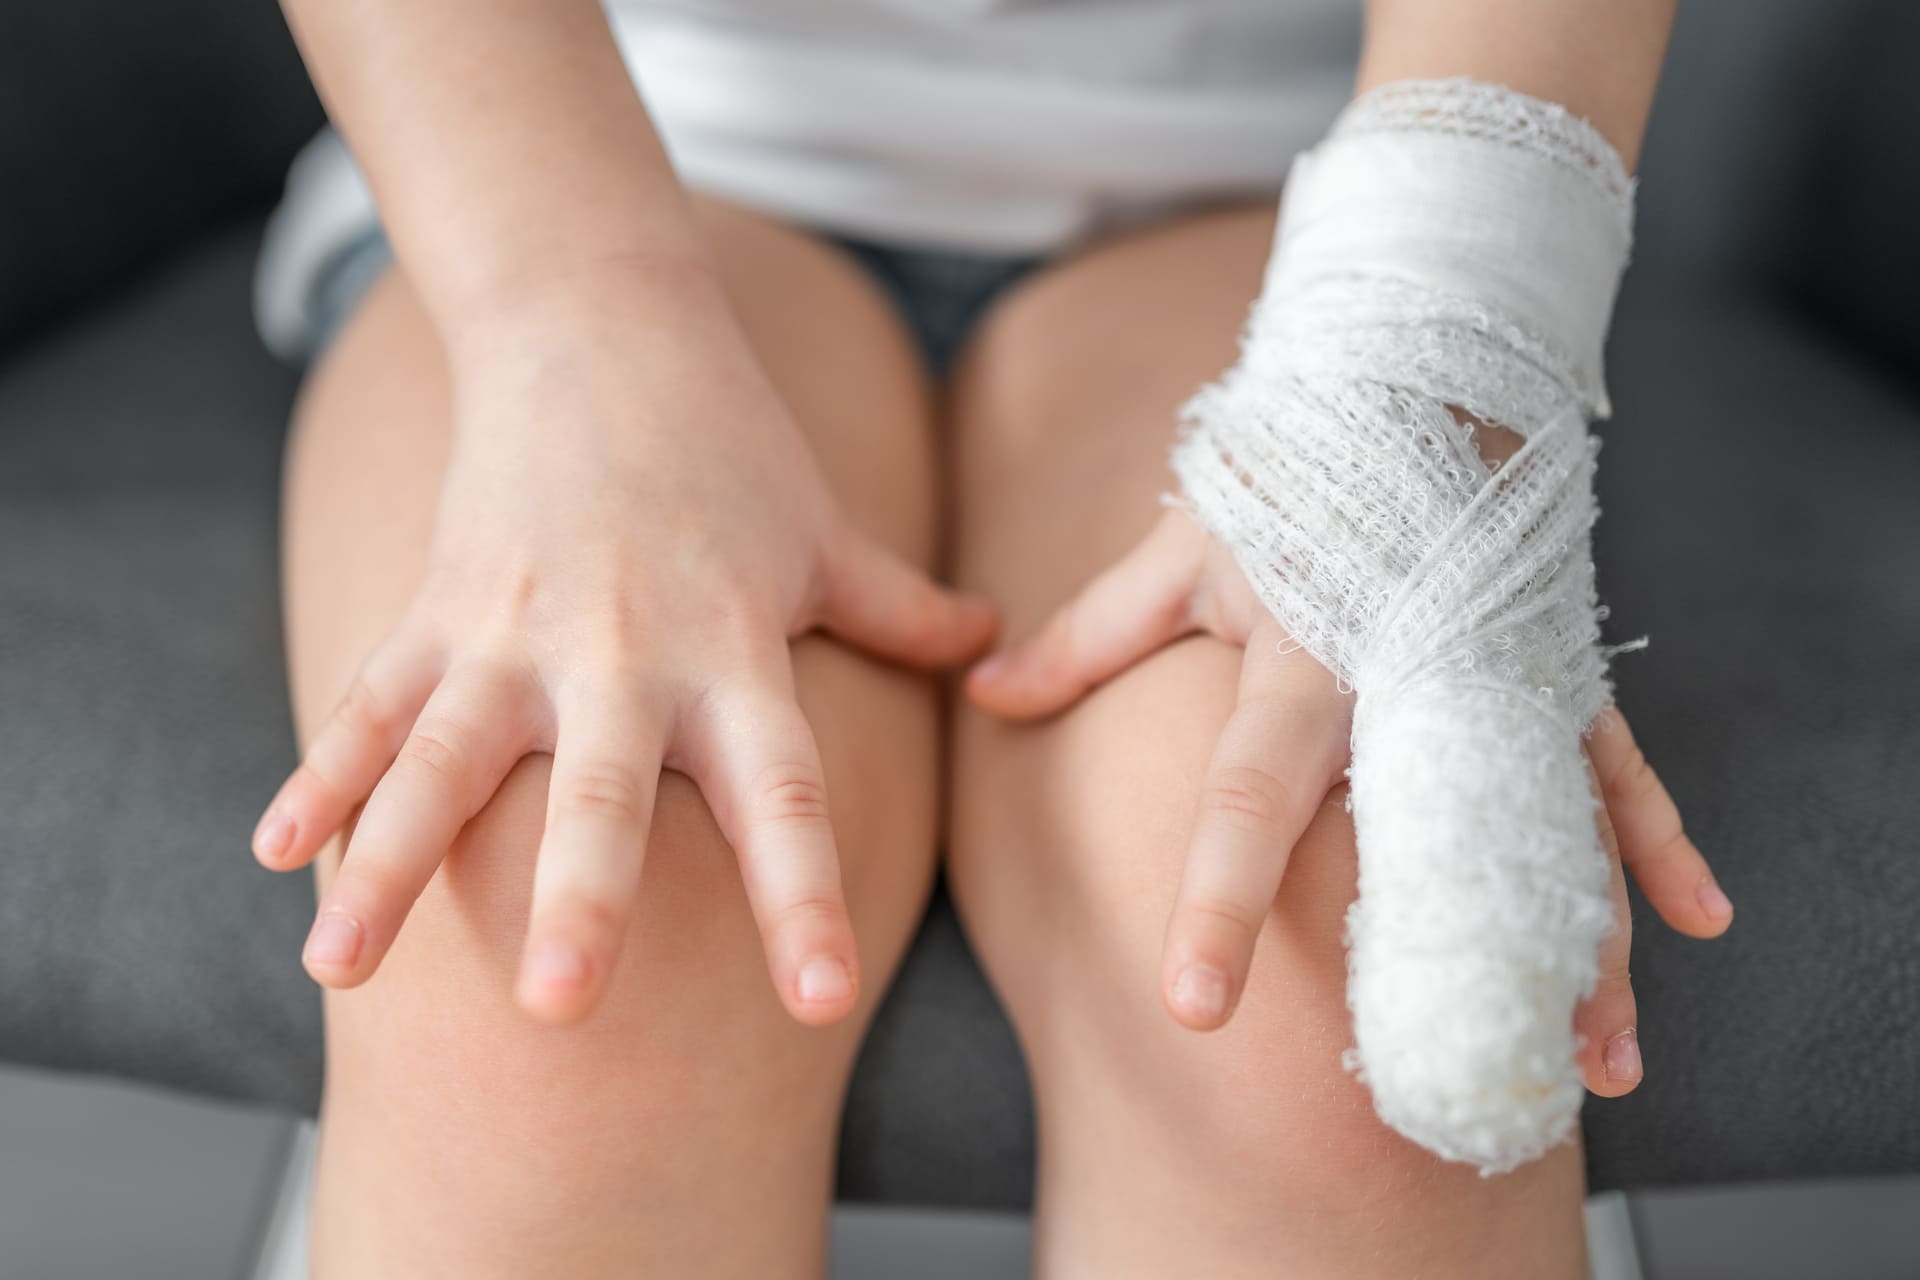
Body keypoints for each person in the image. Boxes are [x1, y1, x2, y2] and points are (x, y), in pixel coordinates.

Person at [246, 0, 1734, 1273]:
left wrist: (1417, 356)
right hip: (573, 156)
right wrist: (579, 335)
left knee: (1320, 1010)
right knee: (552, 974)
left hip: (1313, 199)